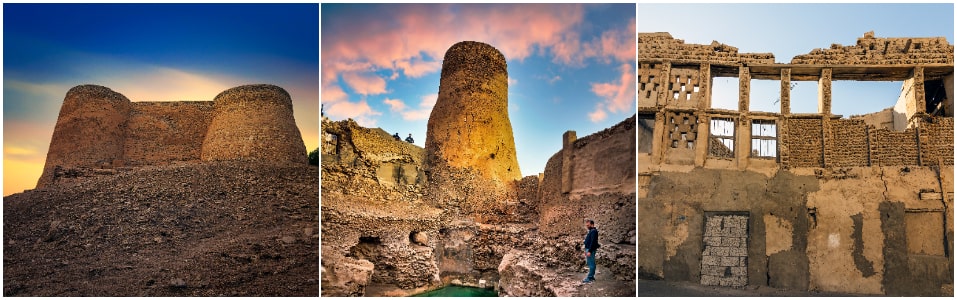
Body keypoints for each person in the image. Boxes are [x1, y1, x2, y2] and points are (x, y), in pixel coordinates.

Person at [582, 219, 599, 284]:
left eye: (588, 225)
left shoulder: (593, 231)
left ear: (592, 224)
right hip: (588, 249)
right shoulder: (592, 231)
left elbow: (593, 242)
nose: (587, 226)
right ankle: (591, 277)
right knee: (591, 263)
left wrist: (589, 251)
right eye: (586, 225)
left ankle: (590, 277)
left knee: (591, 263)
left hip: (590, 249)